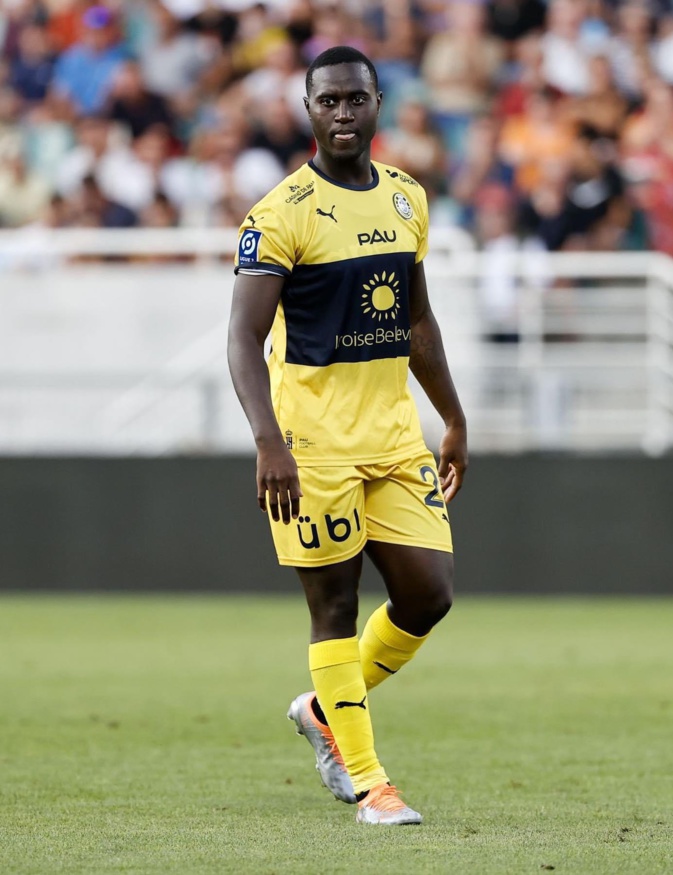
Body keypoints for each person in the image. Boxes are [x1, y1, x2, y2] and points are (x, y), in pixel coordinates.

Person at [227, 46, 468, 826]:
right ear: (307, 109)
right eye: (327, 101)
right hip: (312, 443)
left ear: (376, 105)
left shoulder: (405, 197)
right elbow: (243, 337)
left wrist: (453, 417)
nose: (341, 113)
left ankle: (323, 706)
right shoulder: (280, 213)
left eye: (354, 99)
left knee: (429, 595)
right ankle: (372, 786)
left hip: (394, 436)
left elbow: (417, 319)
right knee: (334, 603)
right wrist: (268, 440)